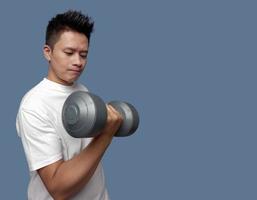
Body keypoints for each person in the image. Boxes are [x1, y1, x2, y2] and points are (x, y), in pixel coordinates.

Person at [16, 10, 123, 200]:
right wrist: (106, 134)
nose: (78, 62)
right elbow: (58, 189)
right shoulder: (34, 106)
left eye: (83, 54)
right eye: (69, 53)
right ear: (47, 52)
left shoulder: (82, 90)